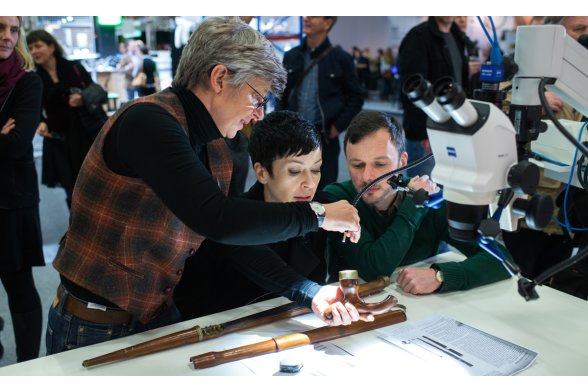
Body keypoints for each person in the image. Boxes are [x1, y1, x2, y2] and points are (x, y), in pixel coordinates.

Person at [45, 17, 364, 355]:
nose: (258, 114)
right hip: (96, 324)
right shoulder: (148, 122)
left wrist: (307, 292)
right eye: (257, 98)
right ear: (220, 78)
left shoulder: (216, 148)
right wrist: (318, 214)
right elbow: (218, 218)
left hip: (155, 316)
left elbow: (230, 239)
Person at [323, 111, 511, 294]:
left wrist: (440, 275)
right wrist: (415, 205)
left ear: (402, 162)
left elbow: (501, 259)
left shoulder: (432, 197)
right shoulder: (336, 199)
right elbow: (375, 269)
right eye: (357, 165)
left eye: (380, 164)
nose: (367, 177)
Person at [175, 110, 331, 319]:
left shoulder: (326, 210)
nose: (309, 183)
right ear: (261, 172)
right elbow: (196, 308)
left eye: (316, 169)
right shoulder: (233, 223)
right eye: (294, 171)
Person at [0, 16, 44, 362]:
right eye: (0, 28)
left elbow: (16, 144)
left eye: (14, 30)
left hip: (12, 200)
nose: (8, 36)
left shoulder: (28, 83)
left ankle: (28, 365)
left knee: (19, 285)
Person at [279, 16, 363, 190]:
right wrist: (281, 124)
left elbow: (356, 97)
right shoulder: (291, 56)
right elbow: (281, 94)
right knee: (290, 188)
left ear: (327, 23)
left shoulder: (341, 59)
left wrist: (338, 126)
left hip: (324, 138)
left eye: (314, 14)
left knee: (324, 190)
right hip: (292, 136)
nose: (307, 18)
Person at [26, 29, 99, 209]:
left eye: (38, 46)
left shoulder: (74, 67)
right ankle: (76, 227)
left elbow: (95, 91)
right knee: (70, 189)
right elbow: (34, 109)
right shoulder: (35, 78)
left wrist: (82, 98)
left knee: (93, 183)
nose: (34, 51)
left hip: (84, 134)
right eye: (30, 48)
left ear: (51, 46)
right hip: (58, 139)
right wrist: (40, 123)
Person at [398, 17, 469, 177]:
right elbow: (410, 89)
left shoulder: (457, 36)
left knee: (447, 190)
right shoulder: (418, 37)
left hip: (454, 127)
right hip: (427, 133)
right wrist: (423, 133)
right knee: (423, 193)